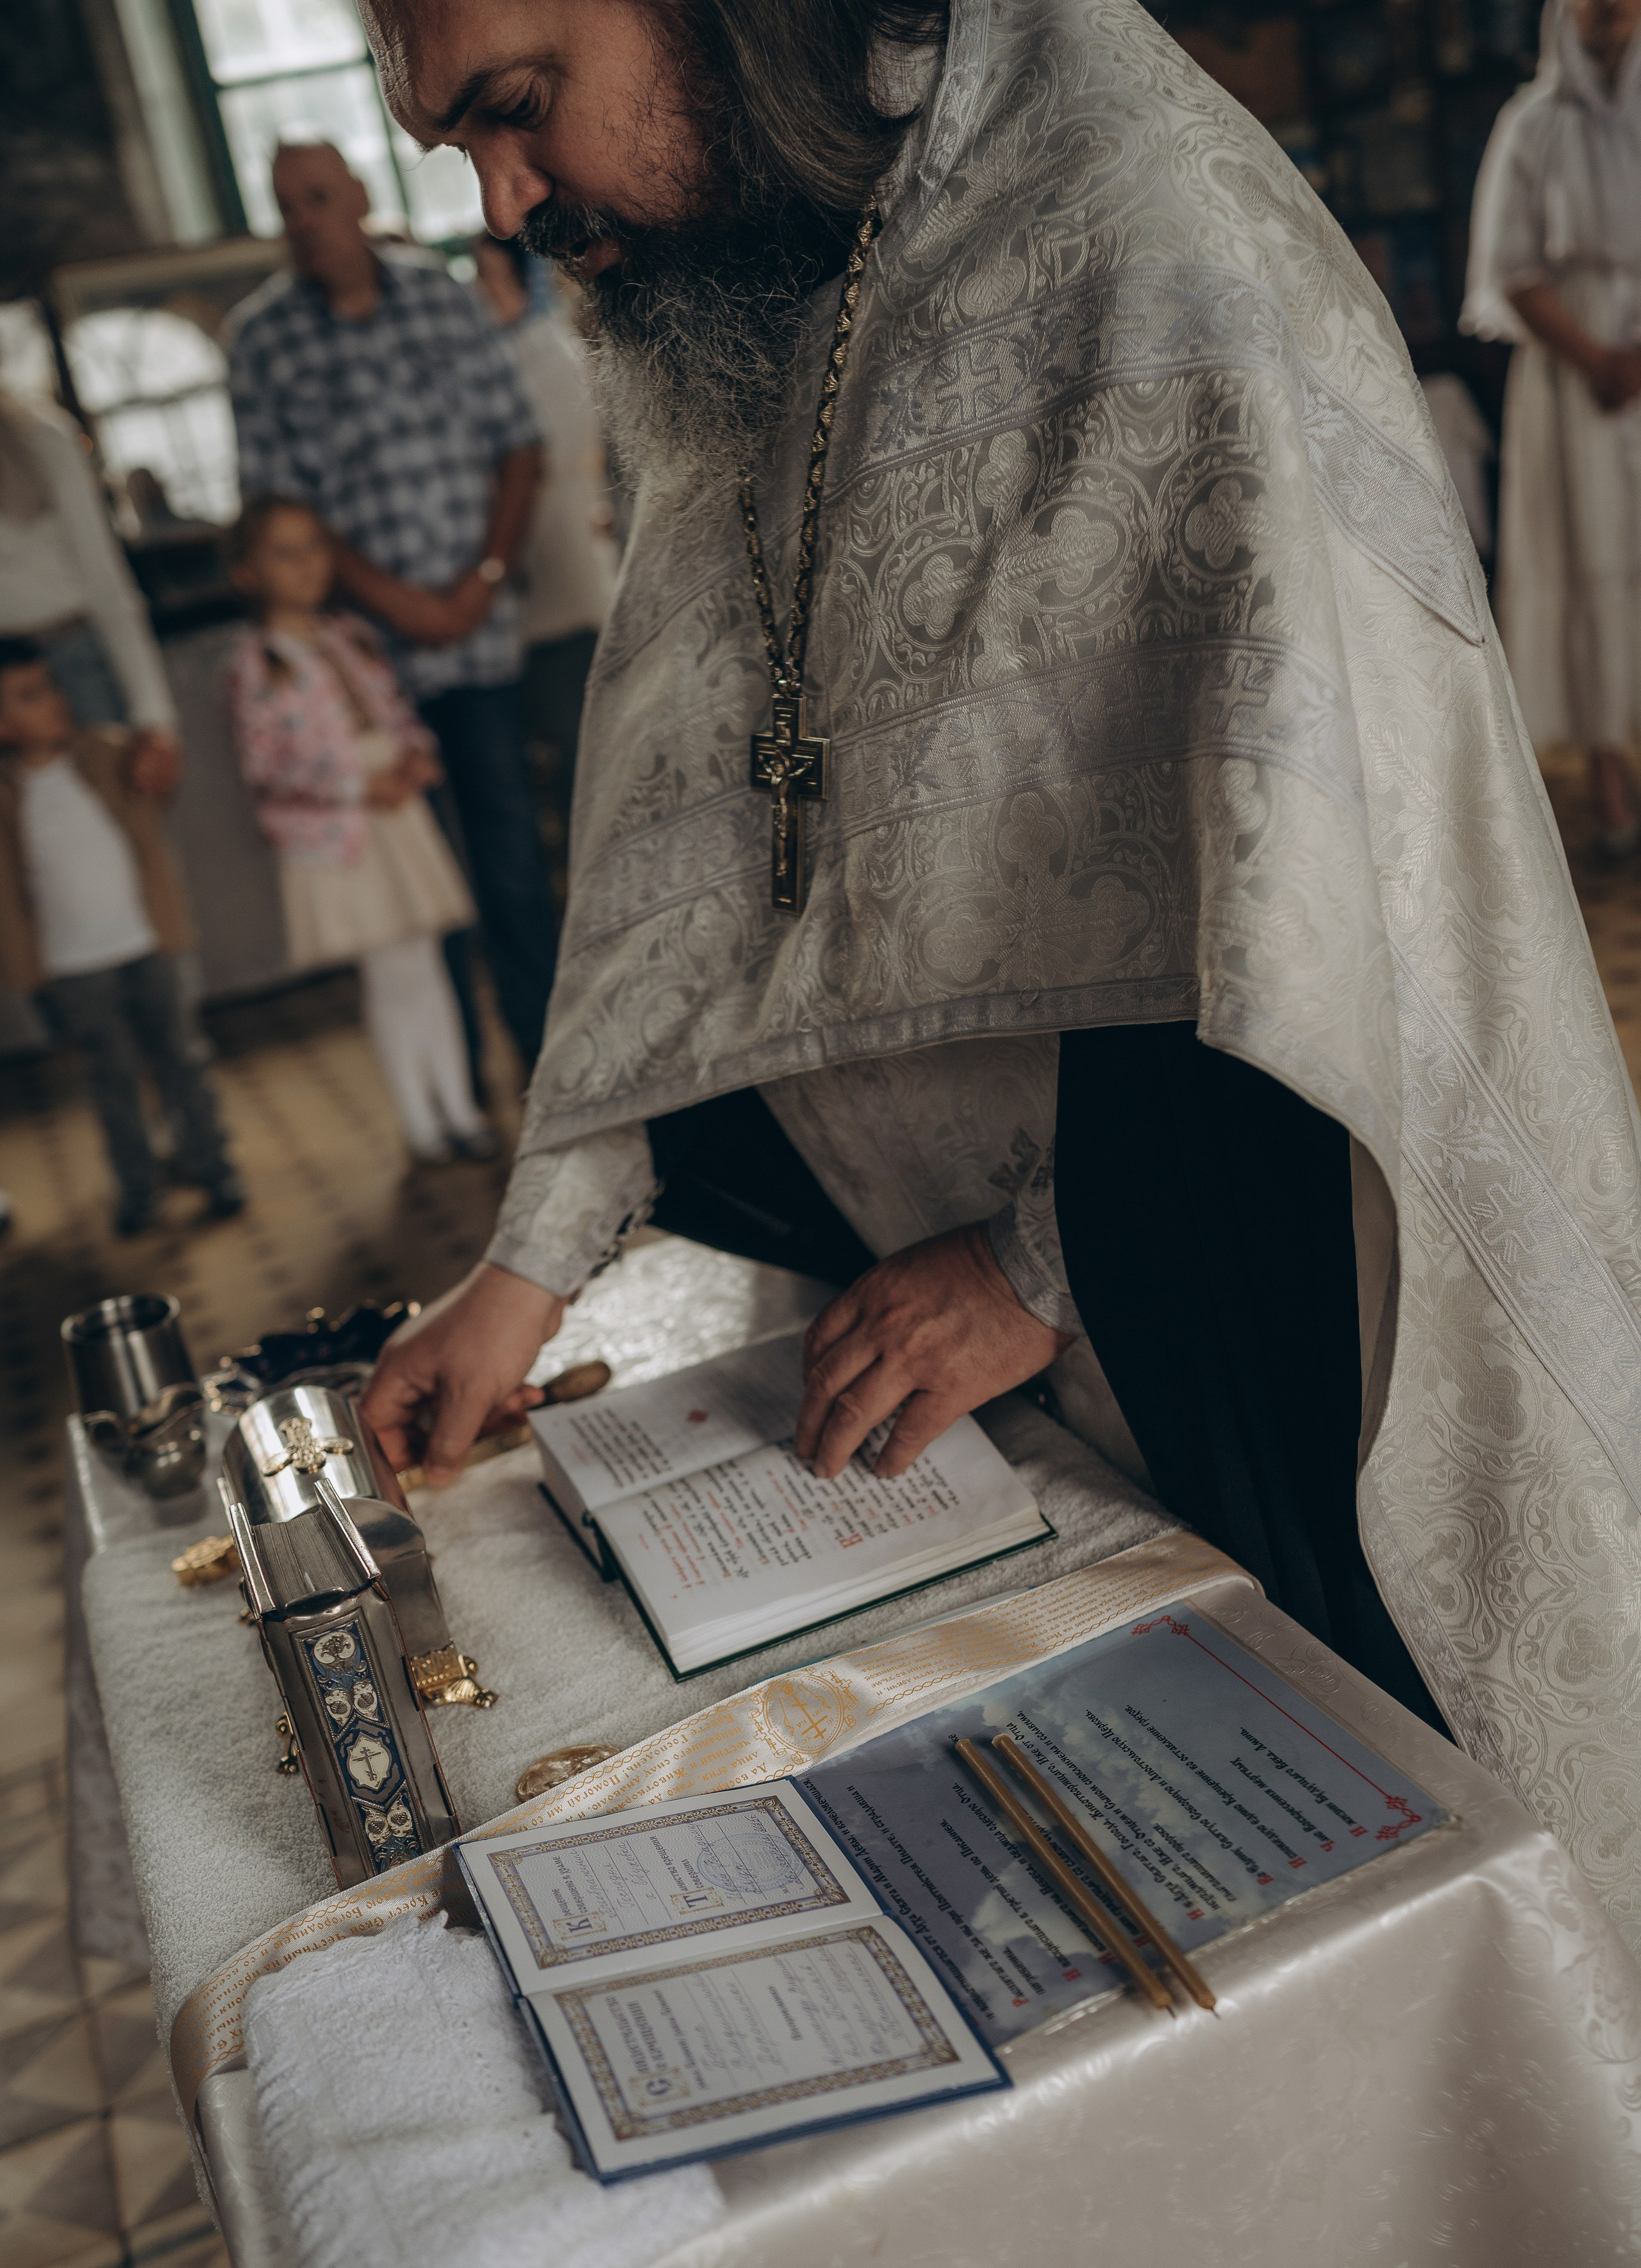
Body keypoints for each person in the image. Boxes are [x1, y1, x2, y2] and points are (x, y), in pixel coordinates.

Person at [356, 0, 1641, 1947]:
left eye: (516, 112)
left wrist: (1041, 1264)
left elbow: (1317, 896)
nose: (507, 196)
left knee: (1385, 1918)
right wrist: (531, 1261)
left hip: (1246, 1304)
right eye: (456, 147)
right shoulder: (769, 280)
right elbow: (695, 821)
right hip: (956, 1374)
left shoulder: (1143, 235)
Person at [226, 142, 558, 1080]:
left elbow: (519, 448)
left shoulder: (442, 298)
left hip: (481, 636)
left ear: (362, 197)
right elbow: (280, 515)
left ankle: (549, 1063)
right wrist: (404, 606)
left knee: (512, 866)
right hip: (365, 671)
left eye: (322, 198)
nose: (307, 220)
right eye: (288, 204)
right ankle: (454, 1079)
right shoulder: (263, 342)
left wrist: (480, 581)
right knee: (421, 882)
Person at [223, 495, 497, 1166]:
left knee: (430, 962)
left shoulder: (353, 636)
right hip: (342, 829)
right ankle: (420, 1121)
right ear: (248, 572)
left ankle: (460, 1107)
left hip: (395, 808)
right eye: (285, 553)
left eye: (315, 547)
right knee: (390, 972)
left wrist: (414, 752)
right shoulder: (257, 664)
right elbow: (269, 768)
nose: (308, 565)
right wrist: (356, 785)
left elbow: (394, 712)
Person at [1463, 0, 1641, 853]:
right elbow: (1510, 268)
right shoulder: (1529, 125)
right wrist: (1601, 361)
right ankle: (1611, 779)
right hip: (1575, 378)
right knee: (1592, 556)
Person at [0, 637, 241, 1235]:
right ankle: (138, 1190)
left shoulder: (109, 754)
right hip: (73, 965)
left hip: (146, 943)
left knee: (183, 1059)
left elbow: (155, 794)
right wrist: (30, 974)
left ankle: (213, 1167)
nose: (54, 702)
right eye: (30, 696)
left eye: (51, 687)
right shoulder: (7, 798)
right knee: (111, 1082)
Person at [471, 236, 619, 847]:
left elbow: (544, 468)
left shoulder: (546, 355)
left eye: (490, 279)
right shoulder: (503, 357)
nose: (478, 296)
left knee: (585, 759)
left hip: (568, 597)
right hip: (537, 600)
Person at [0, 393, 181, 790]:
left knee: (125, 820)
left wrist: (154, 717)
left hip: (75, 663)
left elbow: (107, 581)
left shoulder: (41, 439)